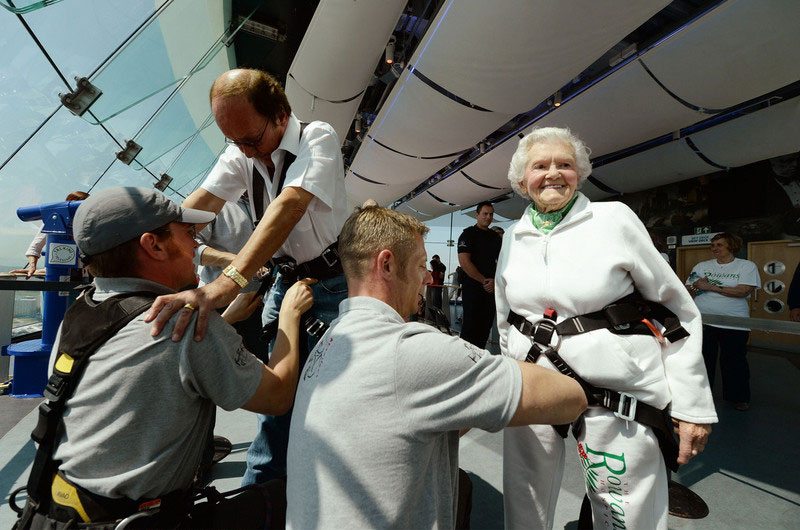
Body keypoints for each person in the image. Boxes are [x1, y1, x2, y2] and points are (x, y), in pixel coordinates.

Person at [15, 187, 313, 530]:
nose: (194, 249)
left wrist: (225, 321)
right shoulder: (186, 322)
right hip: (139, 521)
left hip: (60, 510)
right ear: (153, 245)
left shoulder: (83, 310)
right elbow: (276, 397)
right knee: (290, 497)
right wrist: (289, 315)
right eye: (188, 235)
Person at [285, 205, 587, 530]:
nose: (428, 276)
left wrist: (471, 393)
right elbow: (570, 398)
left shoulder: (329, 343)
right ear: (387, 264)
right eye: (419, 265)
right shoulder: (410, 351)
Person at [497, 127, 717, 530]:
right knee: (524, 500)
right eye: (540, 166)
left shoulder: (612, 219)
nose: (553, 174)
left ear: (579, 174)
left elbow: (676, 310)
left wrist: (692, 404)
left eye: (565, 165)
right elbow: (504, 314)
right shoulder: (513, 236)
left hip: (613, 395)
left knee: (622, 512)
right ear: (520, 181)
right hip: (532, 385)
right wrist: (505, 377)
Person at [144, 68, 349, 486]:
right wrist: (153, 247)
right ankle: (262, 496)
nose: (246, 152)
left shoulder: (317, 136)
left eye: (252, 140)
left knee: (339, 394)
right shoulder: (242, 151)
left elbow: (289, 205)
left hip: (334, 285)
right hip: (288, 282)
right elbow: (200, 207)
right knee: (278, 399)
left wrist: (225, 283)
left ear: (280, 115)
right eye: (235, 142)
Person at [686, 232, 761, 411]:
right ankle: (702, 395)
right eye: (713, 245)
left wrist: (710, 286)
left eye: (719, 245)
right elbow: (691, 285)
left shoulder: (746, 266)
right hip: (704, 321)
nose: (714, 249)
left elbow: (743, 291)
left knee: (734, 362)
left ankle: (738, 397)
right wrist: (704, 286)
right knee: (703, 360)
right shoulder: (702, 265)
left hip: (734, 322)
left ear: (731, 246)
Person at [194, 194, 267, 361]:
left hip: (263, 298)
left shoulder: (268, 197)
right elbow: (191, 249)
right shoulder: (214, 201)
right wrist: (238, 261)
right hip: (223, 306)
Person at [11, 191, 89, 278]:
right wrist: (32, 267)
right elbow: (35, 247)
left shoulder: (88, 224)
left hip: (82, 275)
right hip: (56, 274)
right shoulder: (54, 220)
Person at [457, 201, 502, 349]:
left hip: (490, 290)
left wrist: (494, 282)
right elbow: (465, 262)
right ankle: (465, 362)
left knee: (485, 327)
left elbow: (499, 262)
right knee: (470, 328)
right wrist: (484, 281)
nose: (488, 217)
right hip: (473, 289)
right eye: (485, 214)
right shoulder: (467, 235)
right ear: (477, 215)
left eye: (491, 214)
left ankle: (480, 360)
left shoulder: (495, 238)